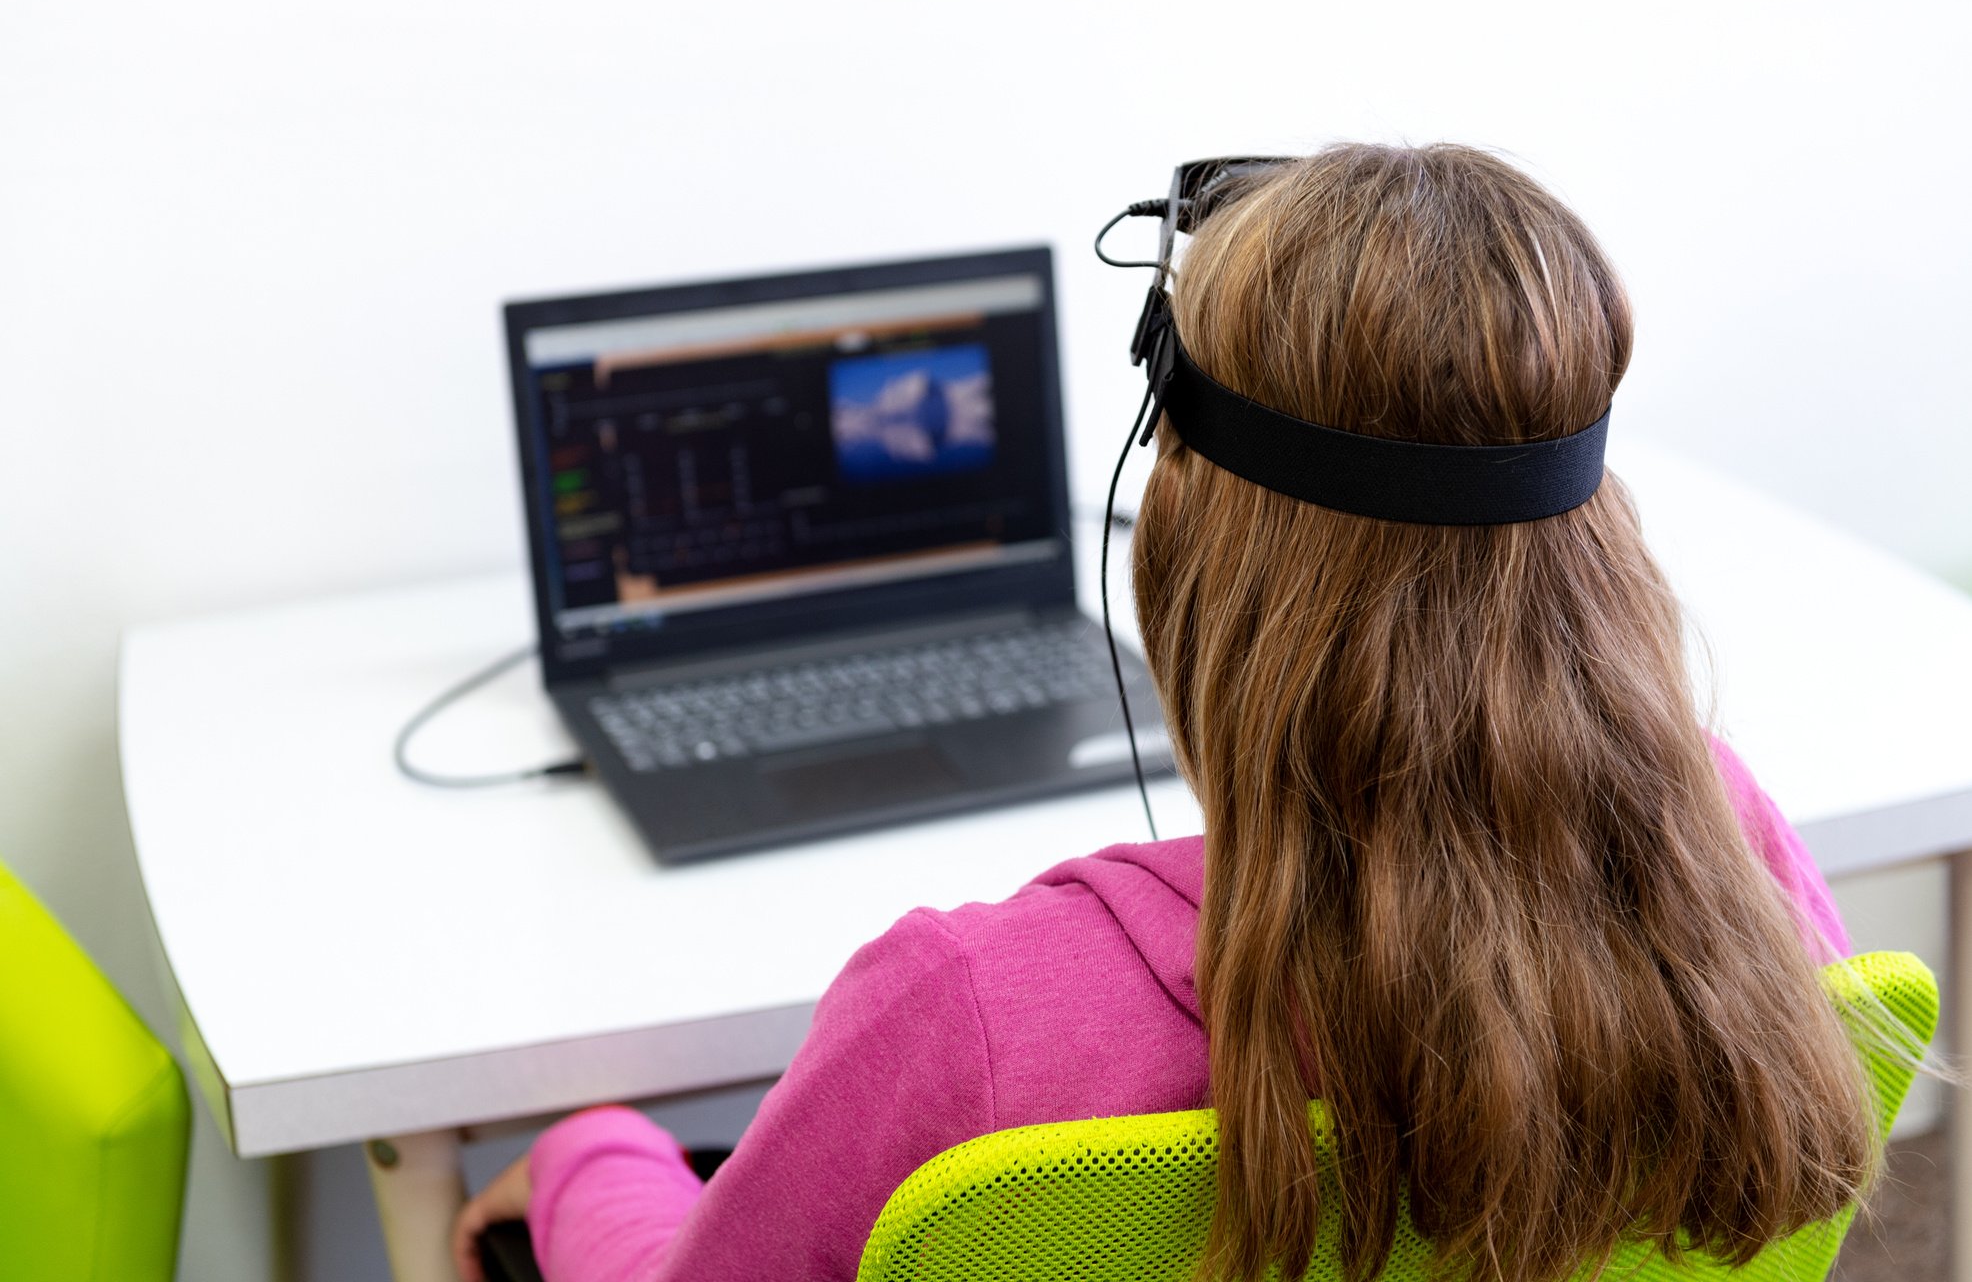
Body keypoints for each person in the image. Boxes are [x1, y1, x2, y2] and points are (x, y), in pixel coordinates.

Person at [451, 144, 1871, 1282]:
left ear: (1186, 542)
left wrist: (592, 1155)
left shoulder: (968, 1020)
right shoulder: (1724, 856)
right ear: (1594, 543)